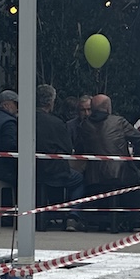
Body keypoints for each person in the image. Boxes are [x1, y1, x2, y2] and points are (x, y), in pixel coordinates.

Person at [75, 94, 140, 228]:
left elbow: (79, 149)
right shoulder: (119, 122)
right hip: (121, 174)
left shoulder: (83, 126)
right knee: (138, 177)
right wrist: (136, 163)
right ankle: (136, 218)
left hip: (93, 176)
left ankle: (98, 219)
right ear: (108, 108)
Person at [35, 84, 85, 232]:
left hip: (29, 170)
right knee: (79, 179)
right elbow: (68, 149)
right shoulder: (56, 123)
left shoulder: (23, 119)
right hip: (53, 171)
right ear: (51, 102)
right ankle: (73, 216)